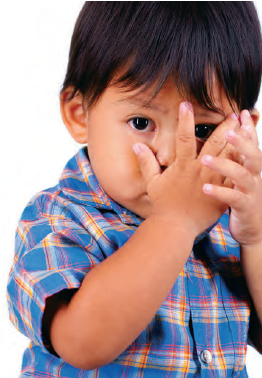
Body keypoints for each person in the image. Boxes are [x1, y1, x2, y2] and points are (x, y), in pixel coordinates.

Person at [7, 2, 262, 377]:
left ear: (243, 130)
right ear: (80, 113)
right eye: (141, 122)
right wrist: (175, 223)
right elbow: (83, 342)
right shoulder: (58, 218)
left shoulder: (230, 220)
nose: (172, 155)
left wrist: (254, 238)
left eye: (203, 130)